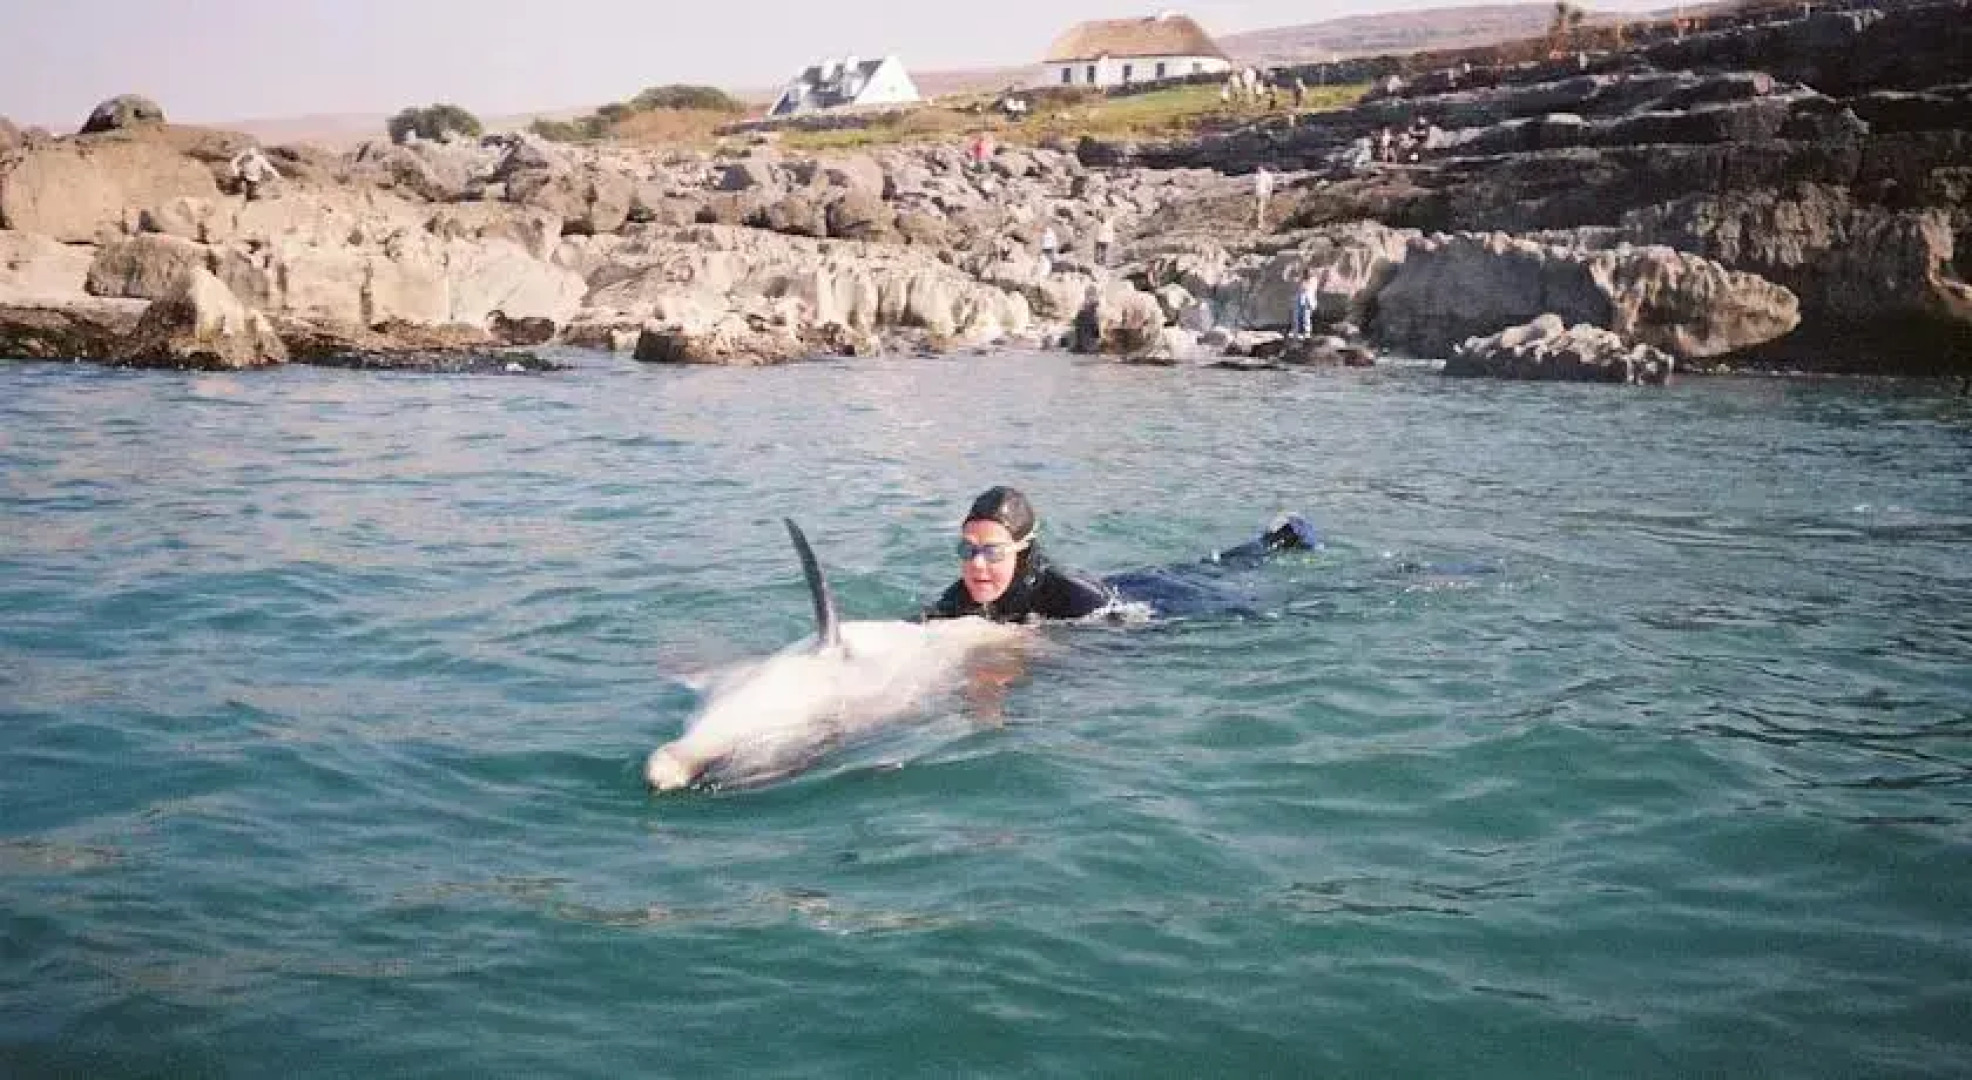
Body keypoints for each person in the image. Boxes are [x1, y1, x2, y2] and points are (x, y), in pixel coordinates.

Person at [926, 486, 1112, 623]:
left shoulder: (1079, 601)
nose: (977, 563)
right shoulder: (960, 596)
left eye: (993, 552)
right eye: (967, 549)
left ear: (1021, 553)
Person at [1291, 272, 1321, 337]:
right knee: (1297, 316)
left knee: (1306, 317)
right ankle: (1297, 332)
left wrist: (1303, 284)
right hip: (1301, 300)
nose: (1305, 275)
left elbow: (1308, 289)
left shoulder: (1313, 280)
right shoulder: (1302, 280)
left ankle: (1306, 333)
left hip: (1308, 301)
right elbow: (1299, 288)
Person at [1252, 166, 1274, 230]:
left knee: (1260, 209)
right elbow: (1255, 186)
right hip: (1258, 194)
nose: (1258, 169)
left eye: (1259, 168)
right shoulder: (1256, 176)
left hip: (1263, 194)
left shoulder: (1267, 175)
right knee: (1258, 209)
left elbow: (1270, 185)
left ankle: (1260, 224)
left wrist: (1269, 193)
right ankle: (1259, 223)